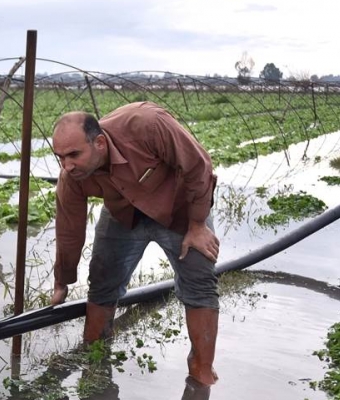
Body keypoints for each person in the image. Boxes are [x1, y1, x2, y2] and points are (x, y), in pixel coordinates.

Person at [48, 102, 221, 385]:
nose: (66, 165)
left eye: (74, 155)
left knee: (200, 280)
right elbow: (69, 229)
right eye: (60, 157)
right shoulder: (72, 177)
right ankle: (95, 361)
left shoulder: (147, 125)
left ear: (100, 143)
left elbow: (198, 166)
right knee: (102, 282)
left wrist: (198, 225)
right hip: (123, 213)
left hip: (179, 211)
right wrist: (62, 281)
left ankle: (201, 368)